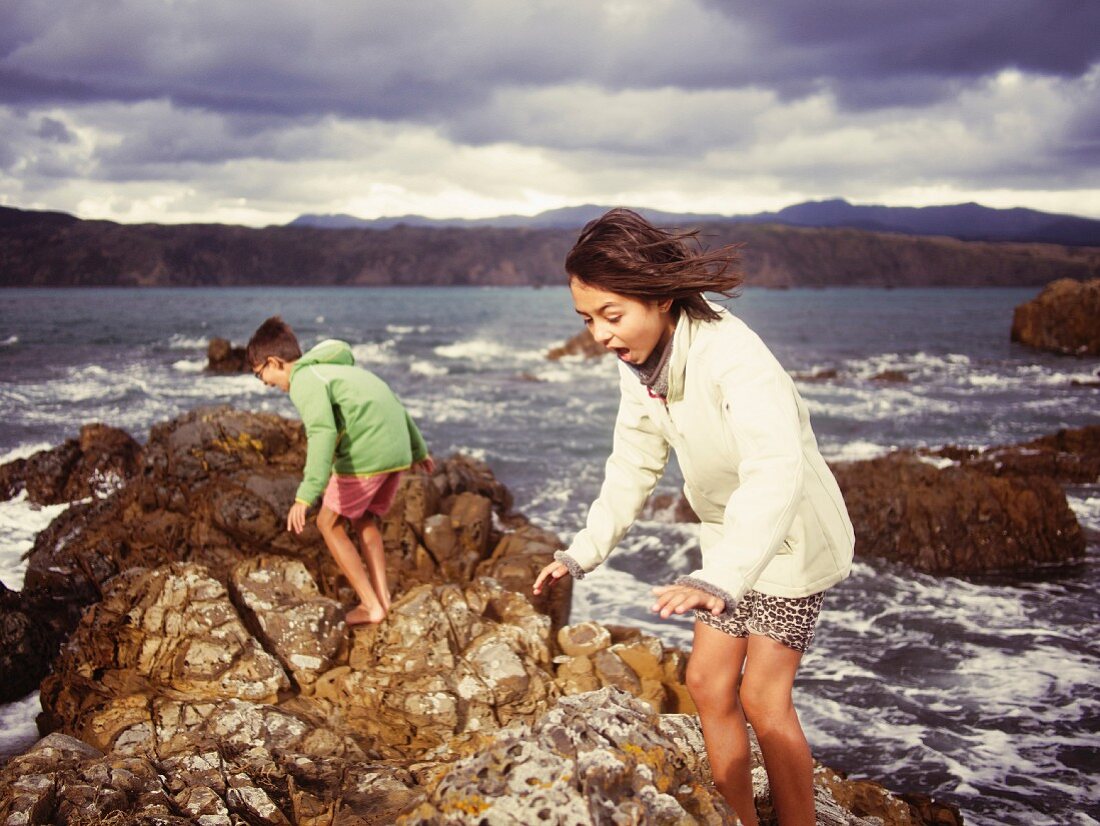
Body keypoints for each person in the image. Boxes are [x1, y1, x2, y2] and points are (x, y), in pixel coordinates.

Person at [533, 209, 854, 825]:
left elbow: (775, 469)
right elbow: (632, 463)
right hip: (734, 541)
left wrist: (717, 580)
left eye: (611, 315)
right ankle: (736, 818)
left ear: (659, 297)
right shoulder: (641, 364)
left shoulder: (735, 356)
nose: (599, 335)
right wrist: (582, 551)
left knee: (763, 698)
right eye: (586, 319)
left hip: (789, 536)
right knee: (708, 683)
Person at [248, 316, 434, 625]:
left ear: (274, 362)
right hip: (396, 450)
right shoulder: (339, 371)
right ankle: (382, 598)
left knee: (326, 522)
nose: (266, 383)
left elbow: (321, 432)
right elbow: (393, 402)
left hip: (367, 453)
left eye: (261, 375)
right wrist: (419, 450)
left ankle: (370, 605)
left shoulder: (305, 381)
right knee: (364, 519)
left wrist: (305, 495)